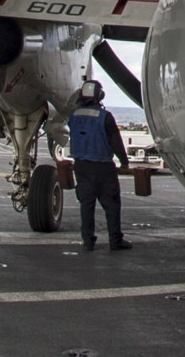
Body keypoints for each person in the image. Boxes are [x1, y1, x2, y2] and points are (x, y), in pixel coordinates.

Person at [67, 79, 131, 251]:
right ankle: (115, 240)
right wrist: (124, 162)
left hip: (81, 166)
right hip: (103, 167)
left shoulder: (74, 115)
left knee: (86, 205)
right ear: (100, 95)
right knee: (111, 205)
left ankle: (88, 241)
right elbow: (116, 142)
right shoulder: (105, 116)